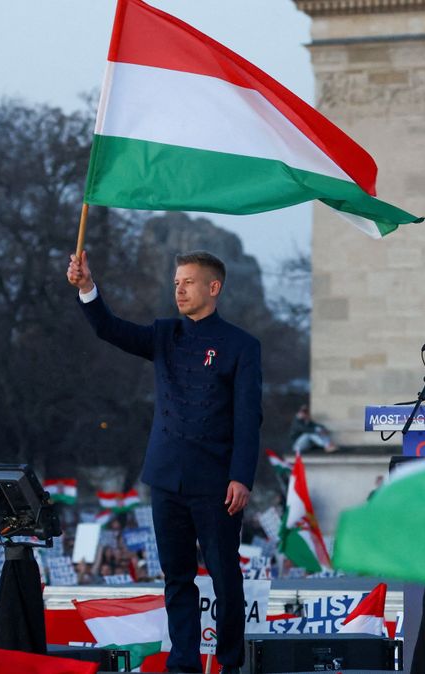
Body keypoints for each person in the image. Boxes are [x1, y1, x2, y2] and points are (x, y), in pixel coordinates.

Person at [67, 249, 262, 674]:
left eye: (188, 282)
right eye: (175, 282)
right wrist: (87, 289)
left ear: (214, 287)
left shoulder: (242, 346)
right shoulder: (164, 334)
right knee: (177, 579)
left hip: (217, 484)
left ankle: (231, 663)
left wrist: (241, 477)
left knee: (226, 580)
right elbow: (109, 328)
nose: (179, 289)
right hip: (166, 478)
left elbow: (250, 419)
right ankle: (183, 665)